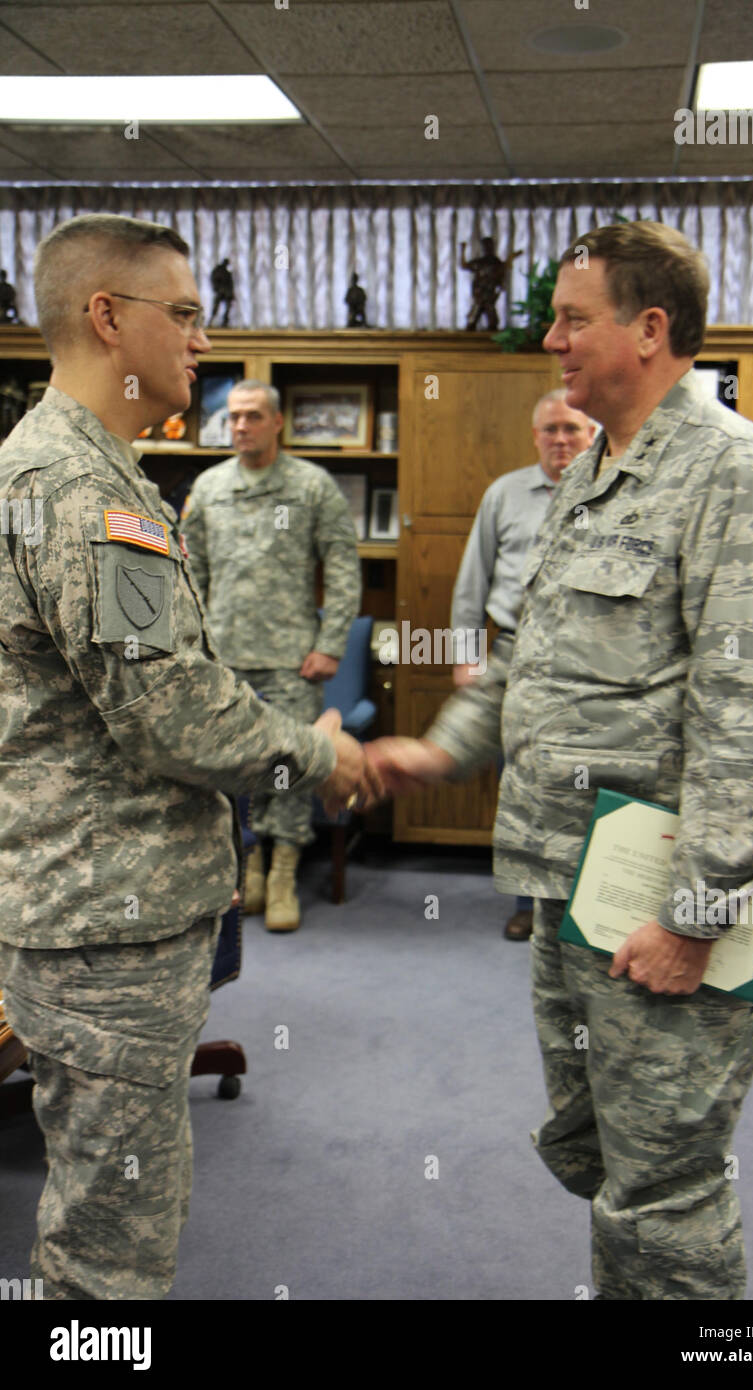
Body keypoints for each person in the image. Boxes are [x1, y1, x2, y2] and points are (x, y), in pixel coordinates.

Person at [368, 221, 753, 1300]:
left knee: (663, 1190)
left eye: (573, 318)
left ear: (648, 328)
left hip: (669, 903)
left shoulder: (734, 473)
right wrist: (438, 750)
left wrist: (694, 916)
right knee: (603, 1155)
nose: (550, 340)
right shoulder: (587, 472)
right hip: (576, 884)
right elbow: (529, 657)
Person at [0, 213, 378, 1300]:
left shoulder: (81, 467)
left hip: (97, 909)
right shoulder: (83, 495)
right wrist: (315, 757)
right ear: (107, 318)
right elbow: (172, 712)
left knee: (112, 1199)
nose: (203, 345)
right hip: (102, 922)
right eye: (186, 315)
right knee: (108, 1246)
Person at [181, 381, 361, 931]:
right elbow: (193, 576)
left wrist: (330, 645)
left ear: (277, 422)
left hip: (291, 658)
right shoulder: (209, 488)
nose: (240, 426)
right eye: (233, 417)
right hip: (226, 658)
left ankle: (283, 874)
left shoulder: (311, 487)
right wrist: (195, 649)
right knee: (239, 770)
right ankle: (250, 868)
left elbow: (343, 568)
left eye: (252, 416)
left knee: (289, 766)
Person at [450, 390, 596, 940]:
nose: (561, 440)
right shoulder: (505, 494)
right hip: (515, 654)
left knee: (586, 784)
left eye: (572, 429)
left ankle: (588, 902)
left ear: (591, 433)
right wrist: (466, 656)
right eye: (551, 430)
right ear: (535, 435)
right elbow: (473, 580)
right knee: (523, 781)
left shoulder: (612, 492)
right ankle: (529, 901)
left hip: (589, 663)